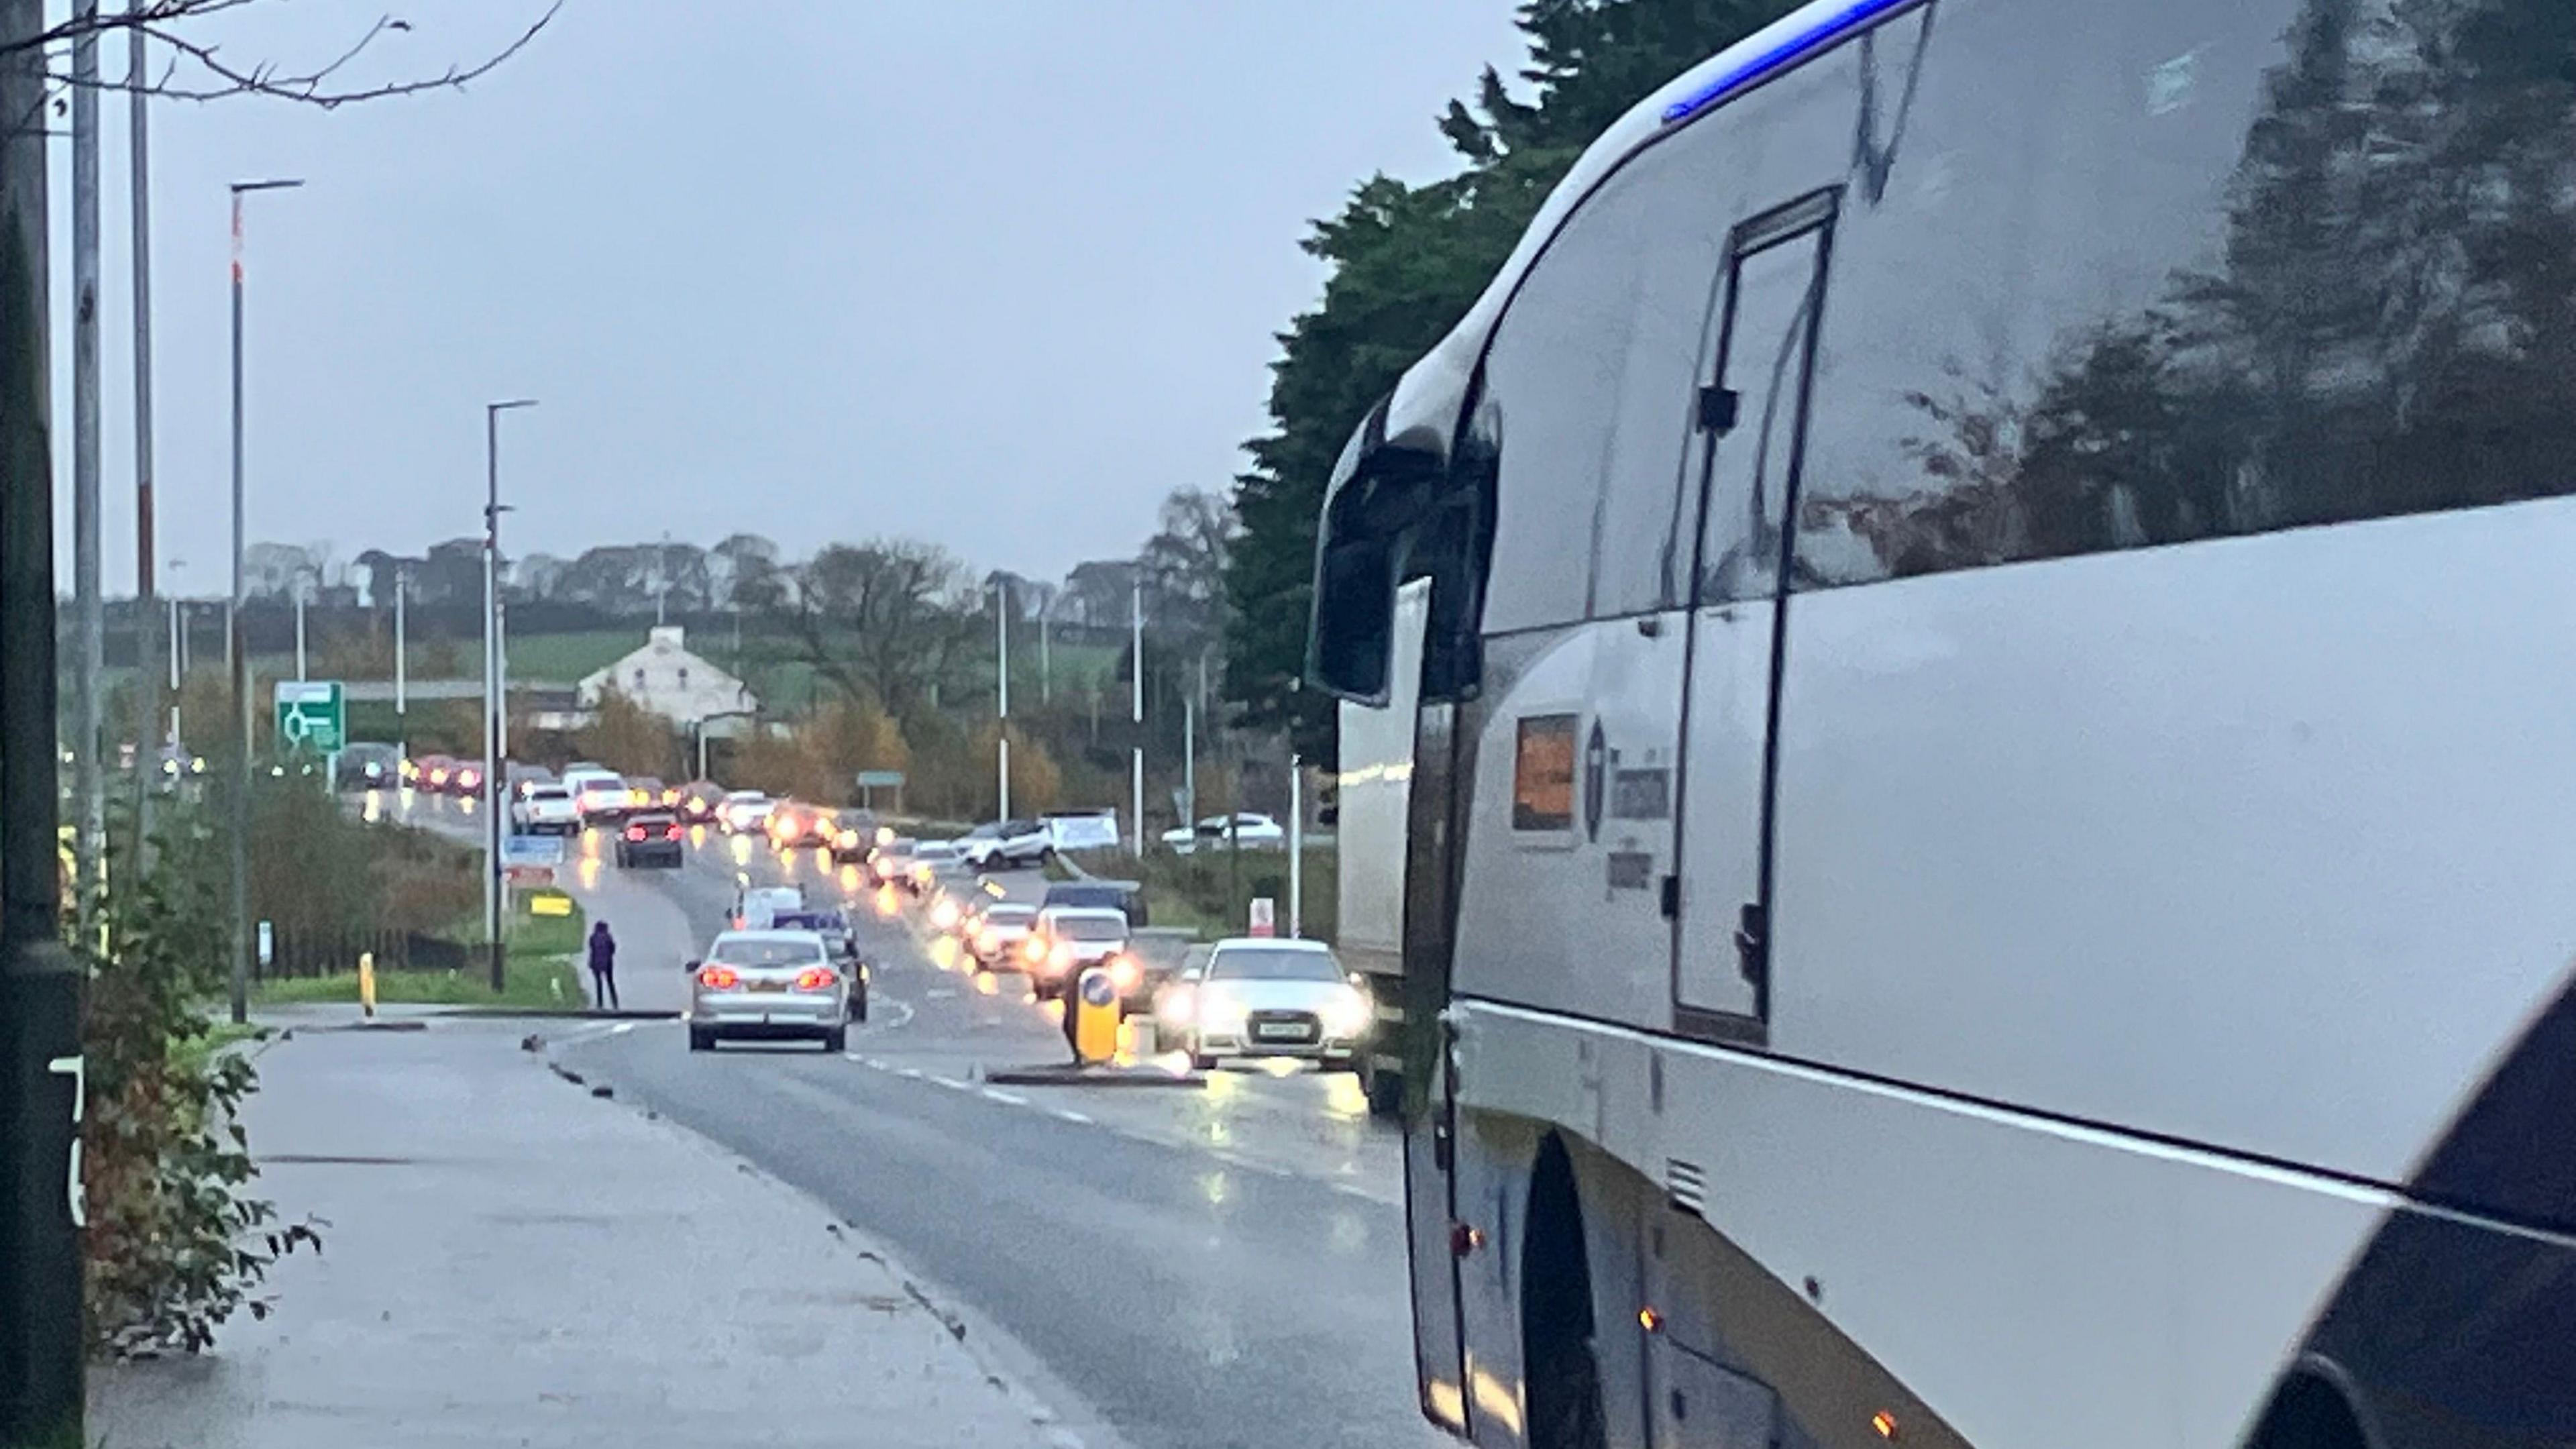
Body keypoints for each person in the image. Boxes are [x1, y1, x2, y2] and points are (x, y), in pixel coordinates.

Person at [586, 920, 619, 1010]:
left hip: (596, 963)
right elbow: (613, 949)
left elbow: (592, 950)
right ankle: (615, 1003)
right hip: (608, 963)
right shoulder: (608, 937)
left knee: (599, 984)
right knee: (610, 983)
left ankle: (600, 1003)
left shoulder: (593, 937)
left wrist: (592, 962)